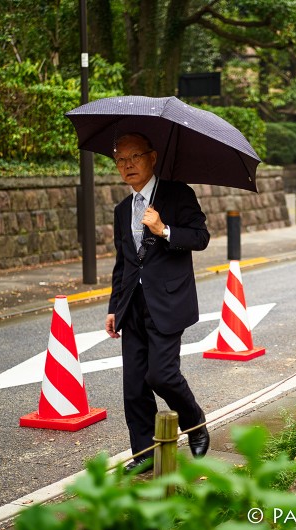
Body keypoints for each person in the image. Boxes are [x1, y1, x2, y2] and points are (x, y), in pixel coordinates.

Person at [105, 132, 210, 472]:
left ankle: (194, 422)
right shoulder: (123, 210)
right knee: (134, 386)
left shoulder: (177, 194)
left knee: (161, 375)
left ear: (152, 157)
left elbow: (200, 237)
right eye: (121, 159)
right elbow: (124, 262)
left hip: (167, 301)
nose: (127, 165)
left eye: (135, 157)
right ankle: (145, 454)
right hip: (132, 305)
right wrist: (113, 306)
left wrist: (164, 229)